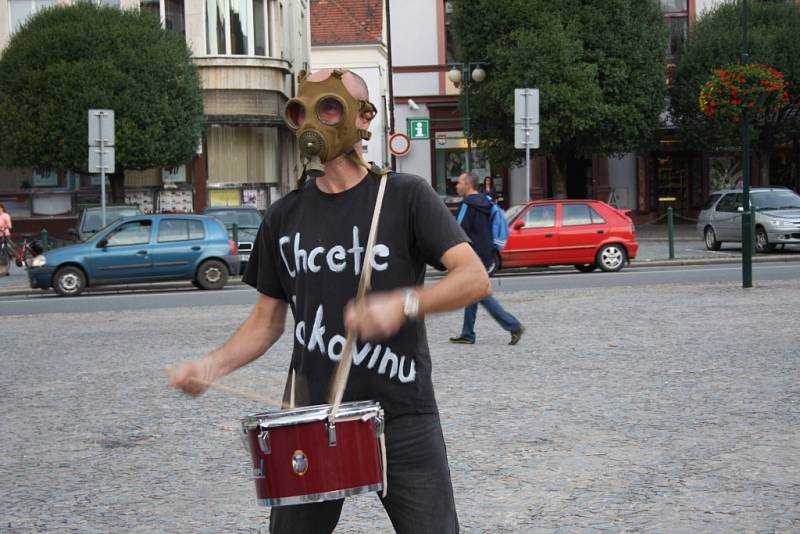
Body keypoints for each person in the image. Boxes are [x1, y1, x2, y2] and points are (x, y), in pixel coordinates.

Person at [169, 68, 490, 534]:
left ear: (365, 119)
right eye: (304, 111)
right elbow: (266, 321)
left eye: (331, 107)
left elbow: (474, 278)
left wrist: (403, 303)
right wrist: (209, 368)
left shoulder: (404, 196)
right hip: (311, 416)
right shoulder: (283, 216)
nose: (314, 123)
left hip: (401, 414)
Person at [449, 172, 525, 346]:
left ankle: (513, 326)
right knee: (473, 294)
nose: (457, 185)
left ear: (468, 185)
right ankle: (467, 333)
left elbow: (458, 231)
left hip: (472, 254)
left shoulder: (468, 204)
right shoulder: (487, 202)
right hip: (486, 252)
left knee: (480, 294)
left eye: (460, 182)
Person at [0, 203, 12, 276]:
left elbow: (9, 225)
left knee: (4, 252)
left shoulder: (5, 215)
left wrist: (3, 228)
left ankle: (5, 270)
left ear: (2, 208)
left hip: (4, 236)